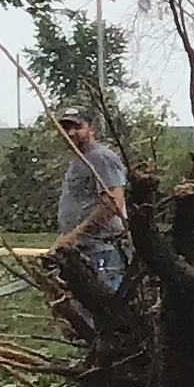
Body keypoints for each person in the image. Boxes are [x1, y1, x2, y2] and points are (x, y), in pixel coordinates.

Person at [55, 108, 128, 294]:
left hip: (103, 249)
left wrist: (76, 234)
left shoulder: (100, 158)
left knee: (105, 308)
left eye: (77, 127)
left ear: (92, 128)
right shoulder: (80, 160)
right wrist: (66, 237)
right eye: (66, 128)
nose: (71, 133)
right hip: (84, 249)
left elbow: (113, 203)